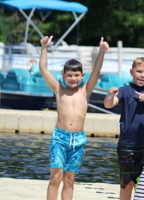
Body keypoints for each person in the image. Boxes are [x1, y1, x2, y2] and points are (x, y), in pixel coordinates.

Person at [39, 35, 109, 200]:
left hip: (78, 140)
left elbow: (96, 71)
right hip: (60, 138)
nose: (73, 78)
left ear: (82, 76)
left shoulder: (85, 91)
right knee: (55, 177)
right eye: (69, 75)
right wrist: (44, 48)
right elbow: (43, 69)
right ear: (63, 76)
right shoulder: (59, 90)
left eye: (76, 75)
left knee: (69, 180)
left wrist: (102, 51)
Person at [103, 57, 144, 200]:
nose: (142, 75)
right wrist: (110, 94)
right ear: (131, 72)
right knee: (126, 184)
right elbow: (108, 105)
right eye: (139, 71)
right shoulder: (124, 90)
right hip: (127, 145)